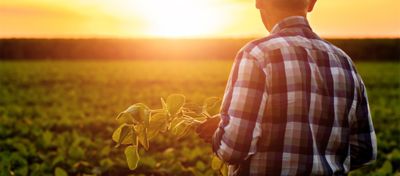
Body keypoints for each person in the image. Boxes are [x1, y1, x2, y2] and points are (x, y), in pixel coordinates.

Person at [196, 0, 377, 175]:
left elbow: (235, 149)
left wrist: (221, 132)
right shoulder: (344, 61)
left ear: (259, 2)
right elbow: (364, 150)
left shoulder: (257, 54)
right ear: (313, 2)